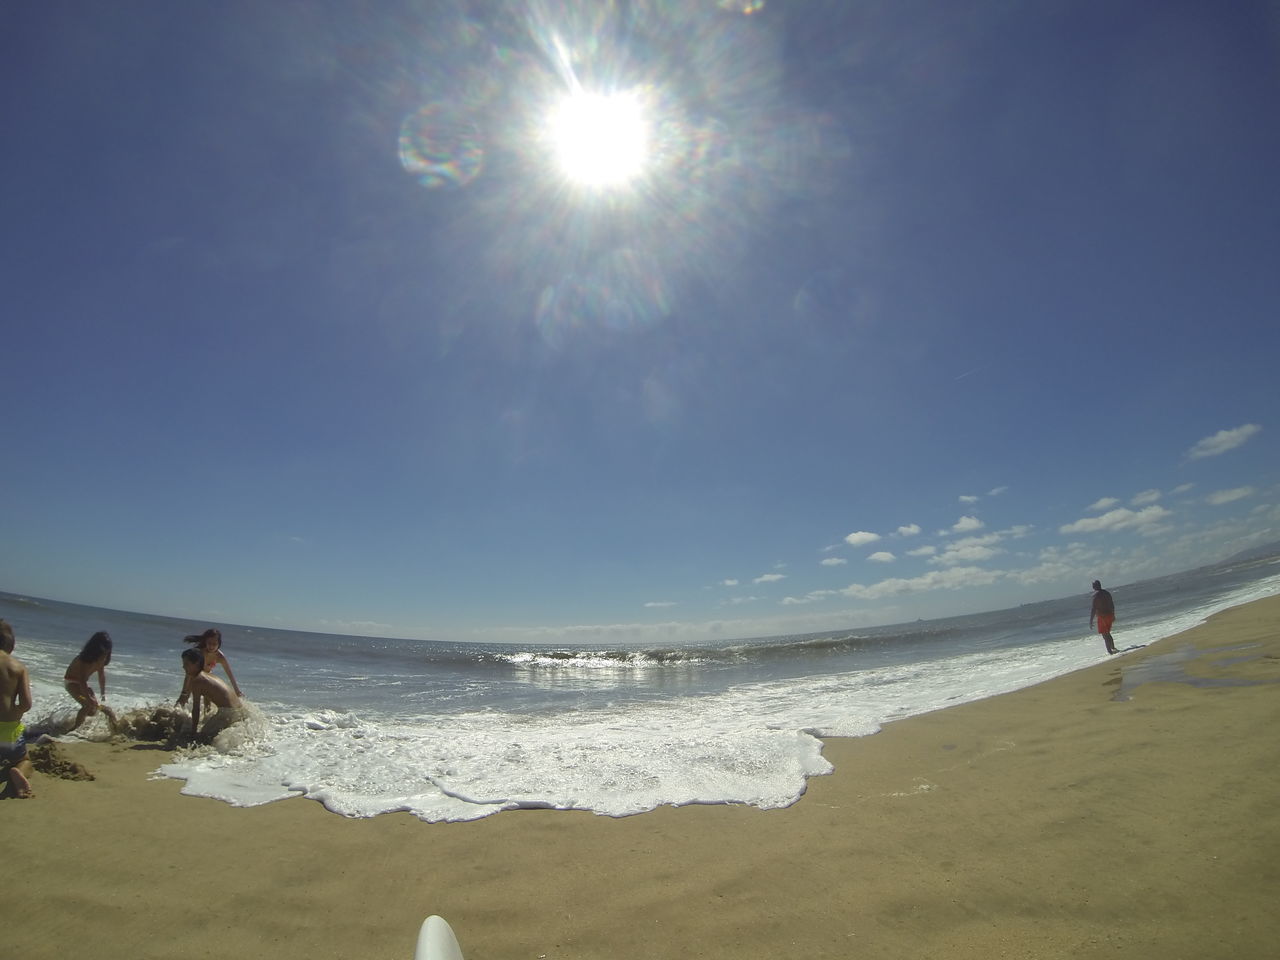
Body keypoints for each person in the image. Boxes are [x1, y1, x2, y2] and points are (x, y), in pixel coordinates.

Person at [0, 620, 35, 799]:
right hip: (10, 733)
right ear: (11, 646)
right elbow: (27, 704)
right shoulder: (18, 668)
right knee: (24, 760)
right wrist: (15, 712)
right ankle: (18, 771)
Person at [180, 648, 241, 736]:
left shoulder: (197, 681)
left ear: (196, 664)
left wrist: (193, 732)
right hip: (238, 710)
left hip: (228, 714)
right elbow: (209, 697)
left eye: (186, 664)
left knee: (204, 736)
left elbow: (196, 708)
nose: (183, 667)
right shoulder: (206, 675)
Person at [64, 631, 118, 731]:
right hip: (71, 682)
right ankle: (74, 730)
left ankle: (115, 727)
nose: (104, 656)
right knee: (87, 705)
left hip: (82, 684)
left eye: (107, 653)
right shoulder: (83, 659)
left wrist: (103, 693)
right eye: (103, 652)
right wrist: (88, 698)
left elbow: (101, 676)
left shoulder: (101, 660)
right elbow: (81, 680)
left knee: (92, 711)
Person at [178, 628, 243, 706]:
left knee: (207, 704)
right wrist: (185, 690)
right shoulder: (199, 653)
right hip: (193, 677)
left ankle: (204, 717)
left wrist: (237, 690)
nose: (211, 646)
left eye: (214, 644)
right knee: (183, 699)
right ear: (205, 642)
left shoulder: (220, 657)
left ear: (219, 644)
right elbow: (189, 672)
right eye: (209, 643)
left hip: (207, 679)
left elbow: (229, 673)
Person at [1090, 580, 1118, 655]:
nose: (1092, 587)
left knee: (1105, 635)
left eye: (1093, 585)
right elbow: (1112, 604)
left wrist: (1091, 621)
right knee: (1108, 633)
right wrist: (1113, 614)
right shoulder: (1107, 593)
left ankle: (1110, 652)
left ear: (1095, 586)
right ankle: (1113, 648)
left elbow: (1093, 608)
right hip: (1109, 615)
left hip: (1102, 617)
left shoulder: (1095, 595)